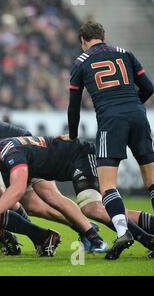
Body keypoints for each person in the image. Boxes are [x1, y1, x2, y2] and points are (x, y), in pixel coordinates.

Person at [0, 136, 154, 260]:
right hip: (63, 161)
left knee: (92, 208)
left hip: (81, 156)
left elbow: (17, 190)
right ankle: (94, 235)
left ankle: (145, 239)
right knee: (42, 201)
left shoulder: (10, 154)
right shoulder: (0, 150)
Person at [66, 21, 154, 256]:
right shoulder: (125, 53)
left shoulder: (81, 62)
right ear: (103, 37)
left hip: (110, 121)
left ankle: (123, 232)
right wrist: (132, 104)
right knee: (152, 182)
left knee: (107, 186)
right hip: (138, 116)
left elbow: (73, 107)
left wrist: (72, 135)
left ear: (83, 40)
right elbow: (148, 87)